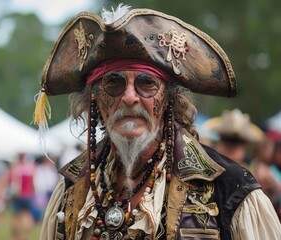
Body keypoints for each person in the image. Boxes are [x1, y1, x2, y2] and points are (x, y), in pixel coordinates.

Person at [34, 4, 281, 240]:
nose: (129, 97)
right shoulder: (71, 189)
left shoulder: (230, 189)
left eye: (146, 83)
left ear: (168, 99)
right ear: (95, 99)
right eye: (114, 83)